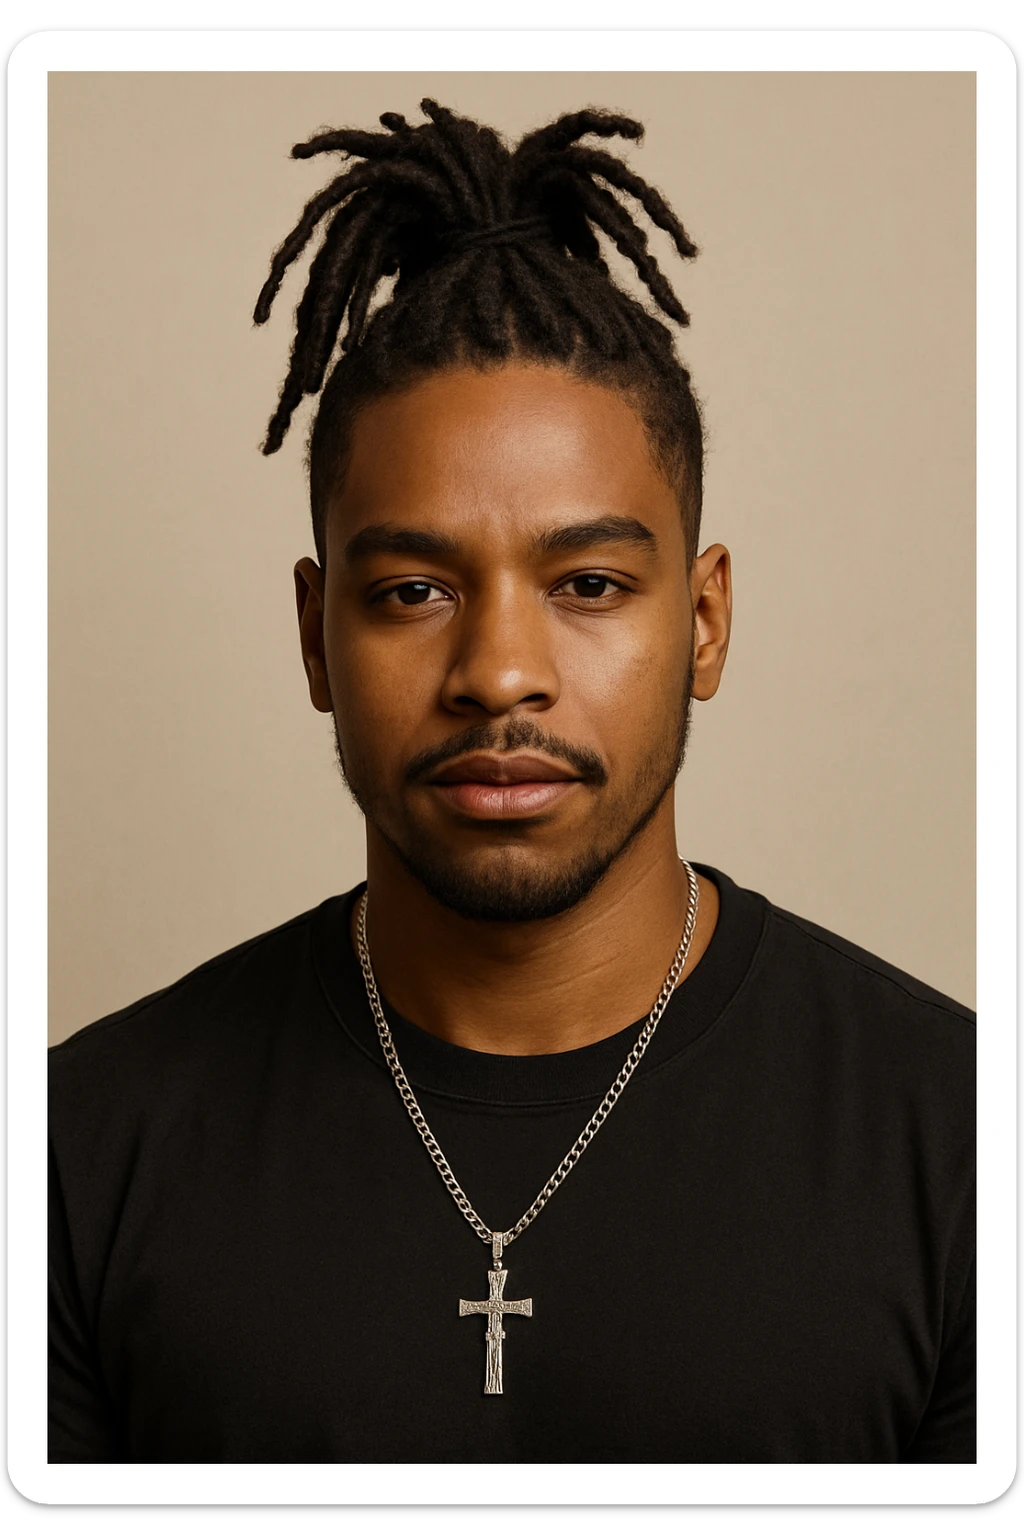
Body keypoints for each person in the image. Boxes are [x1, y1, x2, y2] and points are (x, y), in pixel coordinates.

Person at [48, 100, 975, 1464]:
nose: (498, 671)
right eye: (414, 589)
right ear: (316, 636)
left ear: (705, 624)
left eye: (588, 584)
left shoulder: (961, 1144)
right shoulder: (78, 1154)